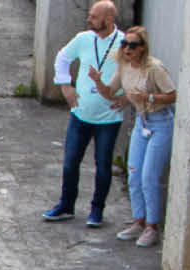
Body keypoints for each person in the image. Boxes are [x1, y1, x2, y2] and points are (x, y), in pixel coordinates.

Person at [45, 0, 125, 227]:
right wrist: (65, 85)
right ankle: (66, 205)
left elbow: (135, 70)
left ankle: (97, 210)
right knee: (70, 162)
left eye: (94, 16)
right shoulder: (83, 39)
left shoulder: (123, 43)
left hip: (108, 117)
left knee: (103, 165)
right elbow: (63, 57)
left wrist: (127, 96)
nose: (89, 19)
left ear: (108, 20)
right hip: (81, 114)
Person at [112, 27, 177, 247]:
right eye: (124, 44)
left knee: (150, 177)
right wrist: (97, 83)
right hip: (142, 121)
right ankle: (138, 221)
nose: (127, 49)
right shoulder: (124, 66)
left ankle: (152, 226)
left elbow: (172, 95)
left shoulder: (154, 68)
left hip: (160, 122)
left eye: (132, 45)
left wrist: (147, 96)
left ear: (142, 48)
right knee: (134, 172)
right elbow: (113, 90)